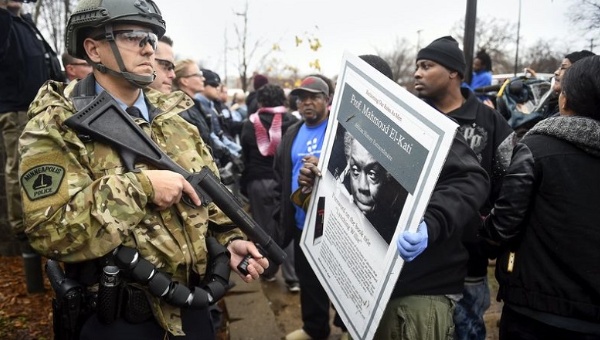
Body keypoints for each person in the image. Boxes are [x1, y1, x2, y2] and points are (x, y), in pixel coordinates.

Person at [18, 0, 268, 338]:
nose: (149, 48)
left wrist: (230, 239)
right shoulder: (55, 125)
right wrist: (141, 188)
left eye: (152, 37)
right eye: (134, 36)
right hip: (119, 320)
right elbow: (49, 231)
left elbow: (207, 199)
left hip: (192, 309)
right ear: (93, 49)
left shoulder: (175, 119)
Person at [297, 54, 490, 340]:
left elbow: (471, 178)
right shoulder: (347, 128)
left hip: (416, 294)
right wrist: (316, 182)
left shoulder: (420, 125)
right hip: (364, 294)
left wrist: (431, 222)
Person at [480, 55, 600, 340]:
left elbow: (504, 225)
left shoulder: (537, 146)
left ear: (565, 99)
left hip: (534, 310)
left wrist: (479, 229)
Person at [412, 36, 515, 340]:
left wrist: (487, 234)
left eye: (426, 66)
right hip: (418, 264)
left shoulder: (489, 122)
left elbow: (510, 185)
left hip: (469, 264)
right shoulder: (411, 117)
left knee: (466, 331)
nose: (417, 73)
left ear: (454, 72)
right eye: (417, 66)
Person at [274, 75, 344, 340]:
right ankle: (314, 328)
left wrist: (326, 166)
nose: (306, 103)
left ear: (327, 100)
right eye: (302, 98)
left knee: (342, 280)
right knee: (309, 280)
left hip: (335, 224)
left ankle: (348, 328)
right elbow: (281, 174)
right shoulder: (292, 132)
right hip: (303, 222)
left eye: (314, 97)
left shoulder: (340, 131)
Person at [1, 0, 60, 293]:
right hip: (16, 110)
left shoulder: (26, 22)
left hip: (42, 108)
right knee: (19, 167)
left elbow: (49, 61)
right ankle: (23, 229)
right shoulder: (4, 20)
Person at [239, 84, 299, 288]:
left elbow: (245, 155)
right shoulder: (293, 122)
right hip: (286, 182)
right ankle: (292, 278)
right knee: (287, 227)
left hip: (258, 182)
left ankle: (268, 270)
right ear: (283, 101)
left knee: (263, 230)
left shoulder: (250, 123)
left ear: (261, 102)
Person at [337, 128, 407, 244]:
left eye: (373, 175)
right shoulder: (340, 194)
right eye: (355, 170)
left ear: (389, 177)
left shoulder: (396, 227)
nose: (362, 186)